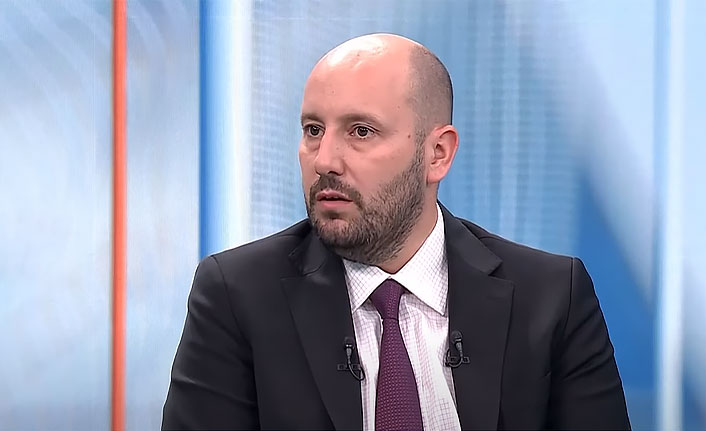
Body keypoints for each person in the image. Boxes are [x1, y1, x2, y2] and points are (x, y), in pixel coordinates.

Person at [162, 33, 630, 430]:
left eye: (361, 131)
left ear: (437, 154)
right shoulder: (238, 294)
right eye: (313, 130)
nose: (324, 161)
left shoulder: (551, 297)